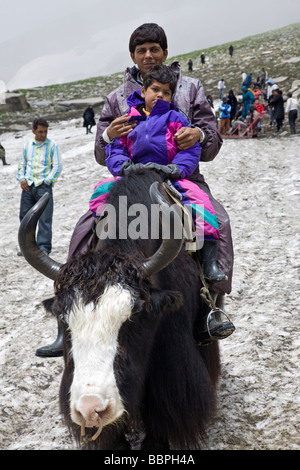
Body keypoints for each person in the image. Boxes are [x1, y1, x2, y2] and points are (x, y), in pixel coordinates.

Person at [43, 23, 233, 358]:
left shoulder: (190, 88)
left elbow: (212, 141)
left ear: (165, 52)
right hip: (129, 182)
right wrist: (107, 137)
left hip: (180, 177)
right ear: (132, 55)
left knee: (218, 220)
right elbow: (103, 155)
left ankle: (210, 309)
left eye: (154, 49)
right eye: (141, 50)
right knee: (85, 229)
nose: (148, 55)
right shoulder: (117, 98)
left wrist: (200, 137)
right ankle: (68, 314)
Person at [90, 65, 234, 341]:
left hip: (170, 178)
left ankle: (210, 279)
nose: (160, 95)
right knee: (96, 204)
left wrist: (177, 168)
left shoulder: (178, 114)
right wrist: (122, 165)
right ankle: (82, 286)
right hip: (131, 179)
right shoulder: (124, 113)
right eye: (155, 90)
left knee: (202, 206)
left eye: (166, 92)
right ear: (142, 90)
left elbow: (193, 148)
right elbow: (112, 149)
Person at [17, 118, 62, 257]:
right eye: (40, 131)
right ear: (33, 131)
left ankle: (44, 248)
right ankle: (26, 248)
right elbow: (22, 164)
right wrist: (22, 178)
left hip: (43, 187)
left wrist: (47, 181)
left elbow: (57, 166)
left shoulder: (52, 145)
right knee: (25, 218)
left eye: (45, 131)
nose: (43, 134)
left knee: (45, 218)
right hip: (28, 187)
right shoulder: (27, 145)